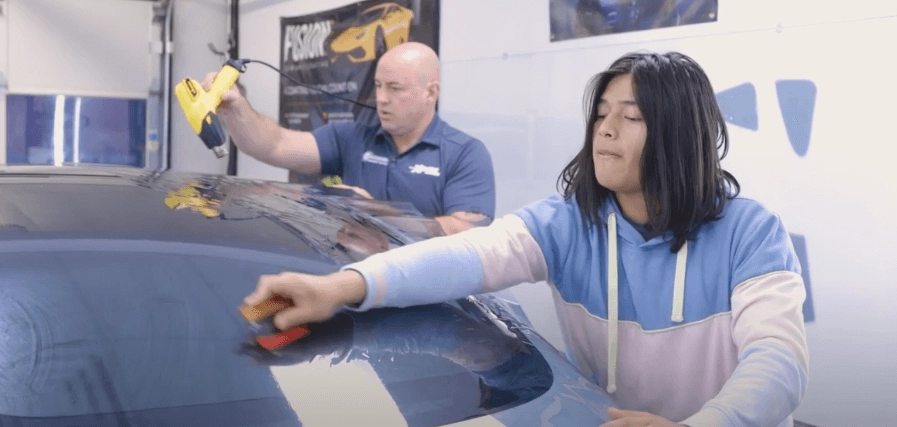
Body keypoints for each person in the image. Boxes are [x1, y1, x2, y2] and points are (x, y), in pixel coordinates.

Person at [241, 52, 810, 427]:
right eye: (601, 114)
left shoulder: (750, 233)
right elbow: (467, 257)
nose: (604, 130)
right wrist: (341, 287)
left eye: (630, 117)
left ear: (680, 135)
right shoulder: (569, 224)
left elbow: (778, 359)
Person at [204, 42, 496, 235]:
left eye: (395, 88)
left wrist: (381, 214)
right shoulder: (352, 138)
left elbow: (468, 232)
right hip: (349, 284)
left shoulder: (464, 153)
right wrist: (235, 108)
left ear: (430, 92)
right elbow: (275, 145)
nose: (381, 99)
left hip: (426, 298)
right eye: (379, 86)